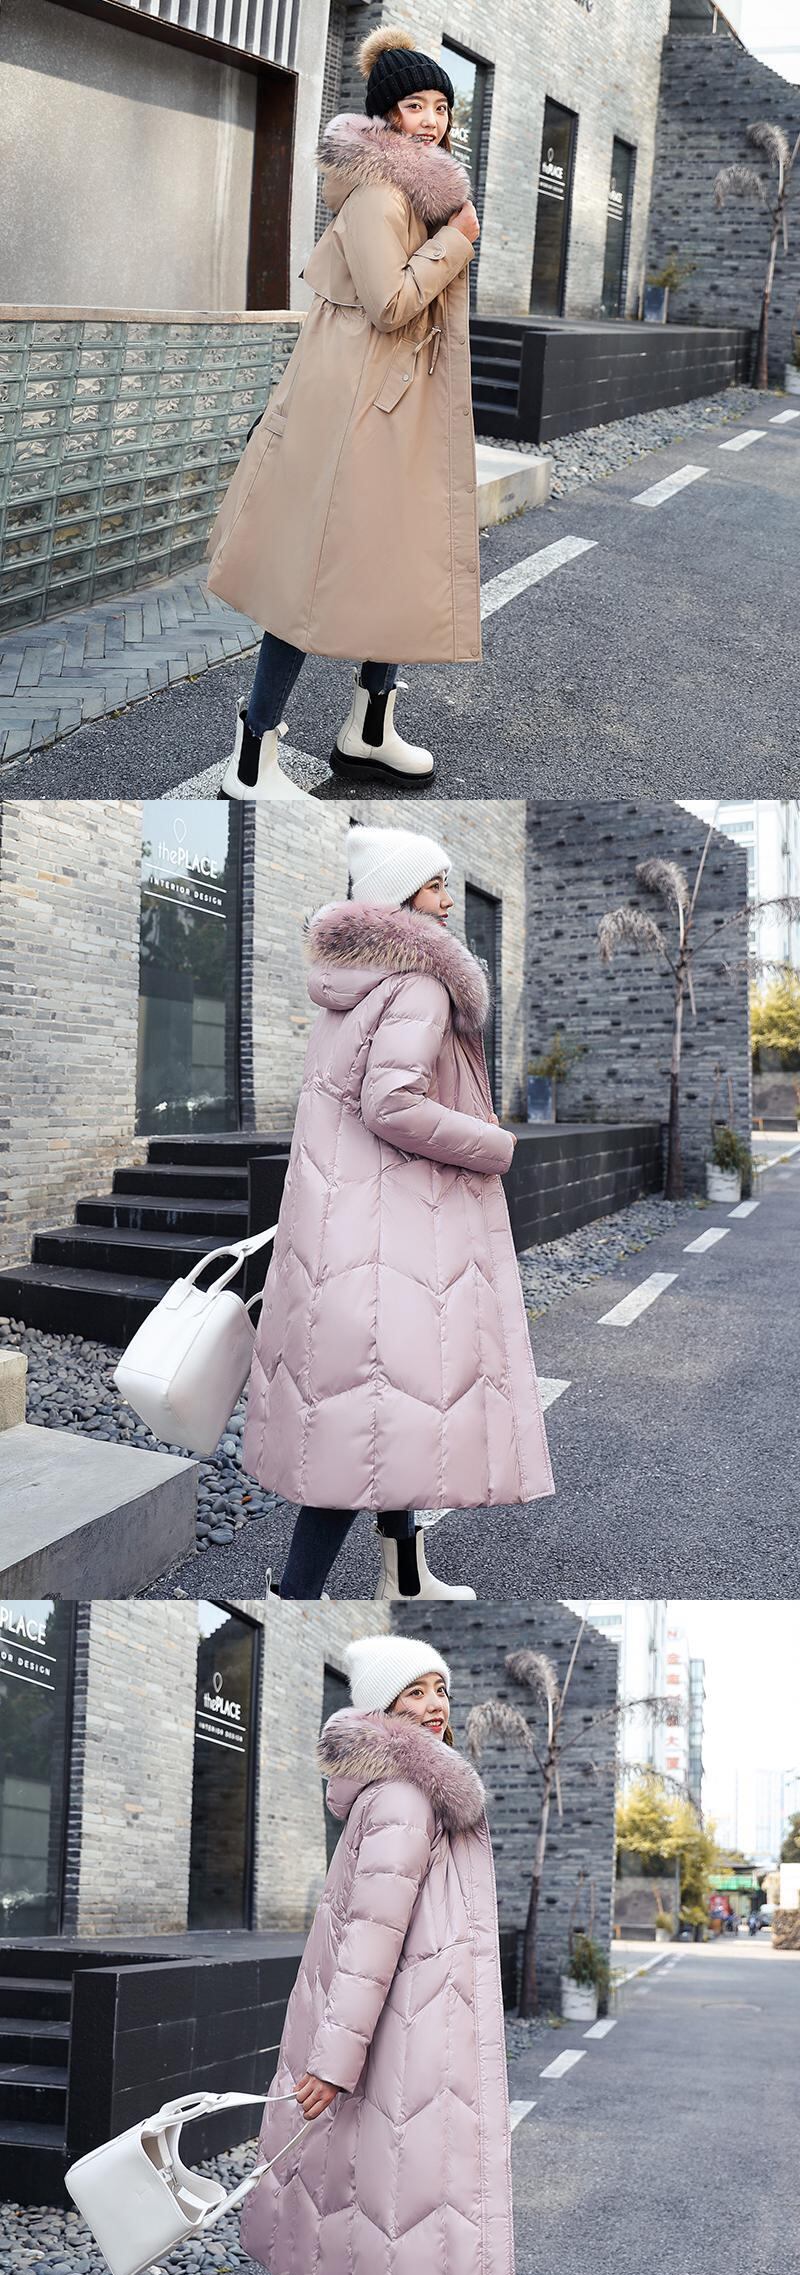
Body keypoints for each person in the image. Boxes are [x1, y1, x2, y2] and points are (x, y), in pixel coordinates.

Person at [241, 822, 554, 1605]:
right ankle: (294, 1598)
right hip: (394, 1224)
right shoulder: (418, 983)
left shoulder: (354, 985)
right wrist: (493, 1144)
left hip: (348, 1219)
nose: (448, 902)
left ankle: (405, 1577)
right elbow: (391, 1103)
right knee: (366, 1425)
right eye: (435, 886)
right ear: (401, 897)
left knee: (389, 1407)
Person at [205, 26, 482, 804]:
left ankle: (369, 729)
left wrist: (450, 235)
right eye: (415, 105)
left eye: (440, 107)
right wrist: (457, 244)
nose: (431, 120)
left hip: (394, 412)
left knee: (397, 566)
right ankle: (252, 758)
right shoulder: (378, 191)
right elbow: (391, 303)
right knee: (309, 578)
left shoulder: (424, 192)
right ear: (386, 113)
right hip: (355, 417)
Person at [241, 1632, 514, 2275]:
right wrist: (334, 2061)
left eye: (440, 1690)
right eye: (414, 1692)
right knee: (449, 2229)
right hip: (419, 2049)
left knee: (429, 2230)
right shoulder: (406, 1797)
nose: (434, 1706)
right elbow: (369, 1936)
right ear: (383, 1708)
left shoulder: (412, 1792)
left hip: (427, 2039)